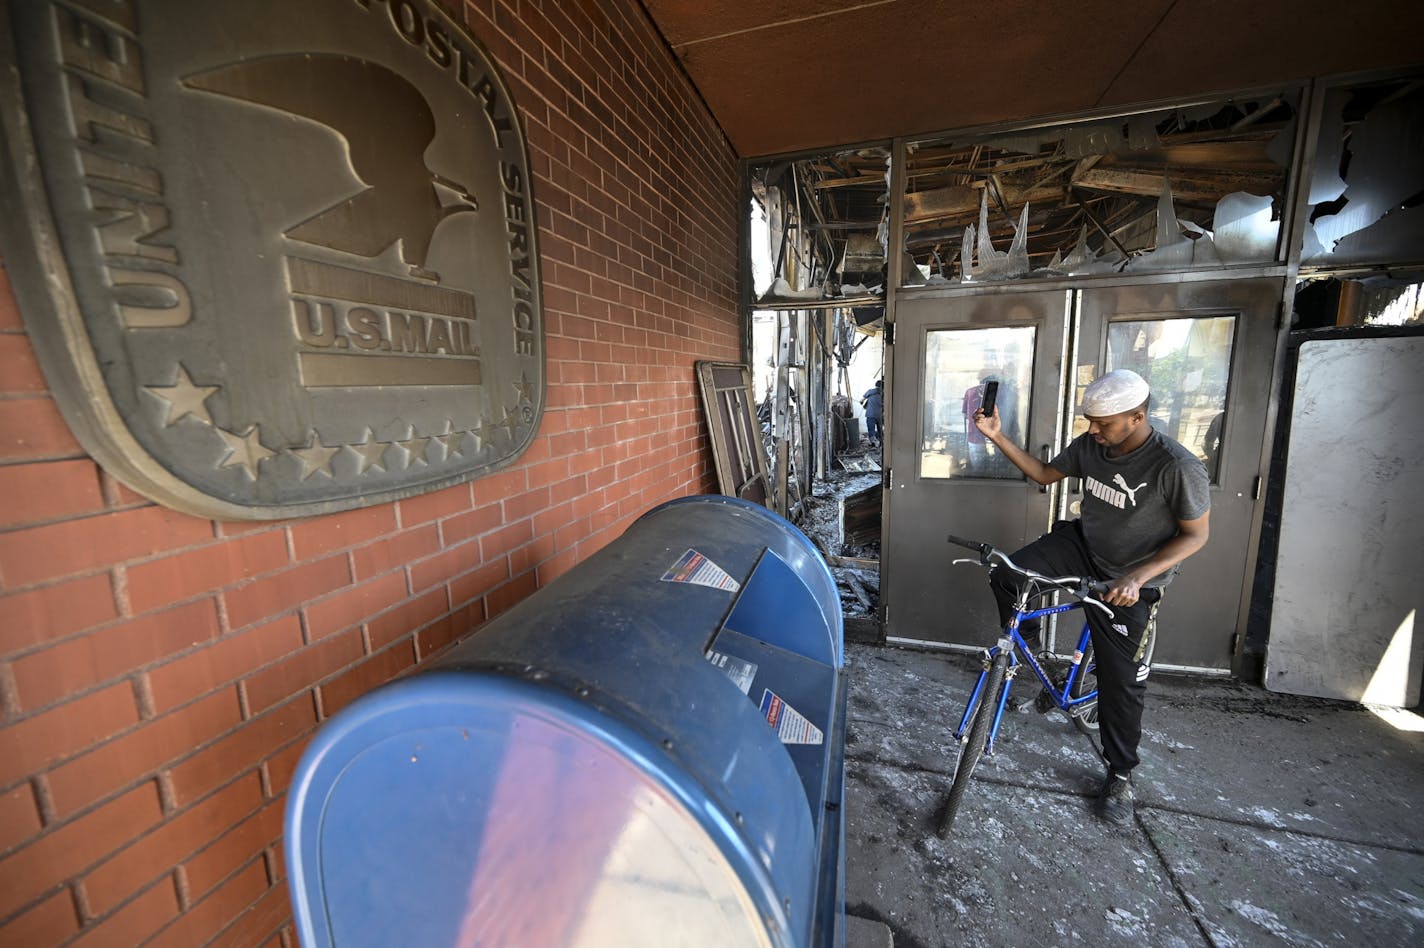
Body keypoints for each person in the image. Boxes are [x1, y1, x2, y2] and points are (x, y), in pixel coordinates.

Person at [971, 369, 1210, 825]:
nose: (1093, 431)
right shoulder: (1092, 446)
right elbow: (1044, 474)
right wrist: (997, 437)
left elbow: (1195, 536)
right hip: (1083, 545)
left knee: (1122, 683)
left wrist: (1139, 576)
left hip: (1133, 576)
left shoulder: (1176, 466)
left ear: (1138, 416)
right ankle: (1034, 653)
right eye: (1089, 421)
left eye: (1103, 423)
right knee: (1007, 574)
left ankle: (1121, 775)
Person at [861, 380, 883, 444]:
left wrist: (862, 402)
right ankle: (881, 443)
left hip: (870, 415)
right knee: (880, 430)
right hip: (879, 415)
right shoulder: (884, 394)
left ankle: (873, 443)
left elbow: (862, 400)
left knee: (871, 430)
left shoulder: (870, 392)